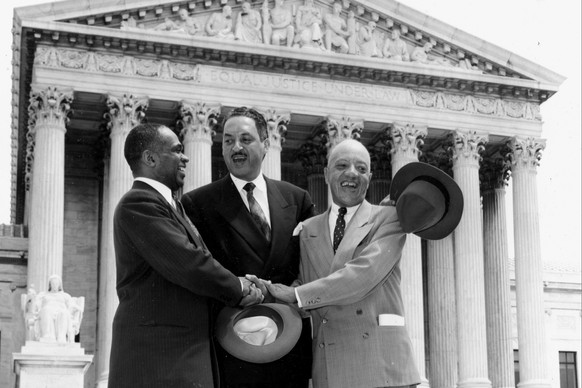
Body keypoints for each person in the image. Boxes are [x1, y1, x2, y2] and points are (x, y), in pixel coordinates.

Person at [108, 123, 262, 388]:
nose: (186, 156)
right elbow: (189, 264)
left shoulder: (171, 206)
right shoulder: (139, 203)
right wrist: (239, 287)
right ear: (150, 158)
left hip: (180, 356)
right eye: (177, 150)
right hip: (159, 361)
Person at [259, 139, 421, 388]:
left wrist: (297, 294)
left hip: (382, 367)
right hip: (330, 367)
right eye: (342, 165)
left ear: (370, 176)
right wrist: (267, 293)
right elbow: (307, 289)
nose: (352, 174)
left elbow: (362, 276)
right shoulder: (307, 229)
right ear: (325, 174)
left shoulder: (390, 218)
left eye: (361, 168)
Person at [181, 107, 316, 388]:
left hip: (289, 345)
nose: (236, 148)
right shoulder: (198, 203)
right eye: (228, 141)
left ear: (266, 144)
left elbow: (314, 263)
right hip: (232, 345)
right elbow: (198, 274)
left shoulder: (297, 199)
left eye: (245, 139)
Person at [36, 275, 74, 343]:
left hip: (61, 312)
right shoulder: (43, 295)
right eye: (53, 283)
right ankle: (48, 335)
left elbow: (71, 306)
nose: (54, 285)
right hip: (46, 312)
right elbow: (36, 305)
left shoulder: (65, 296)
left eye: (56, 284)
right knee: (47, 310)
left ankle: (61, 336)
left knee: (63, 313)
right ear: (50, 285)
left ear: (59, 285)